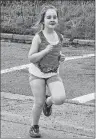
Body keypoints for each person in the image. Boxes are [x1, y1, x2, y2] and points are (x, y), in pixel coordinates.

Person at [28, 4, 66, 138]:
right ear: (43, 20)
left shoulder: (59, 37)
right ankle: (34, 126)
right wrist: (44, 51)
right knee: (38, 102)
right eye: (48, 17)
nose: (52, 19)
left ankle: (48, 102)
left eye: (54, 17)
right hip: (37, 73)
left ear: (57, 20)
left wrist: (61, 57)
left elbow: (57, 53)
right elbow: (31, 58)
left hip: (53, 73)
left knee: (60, 99)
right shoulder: (38, 37)